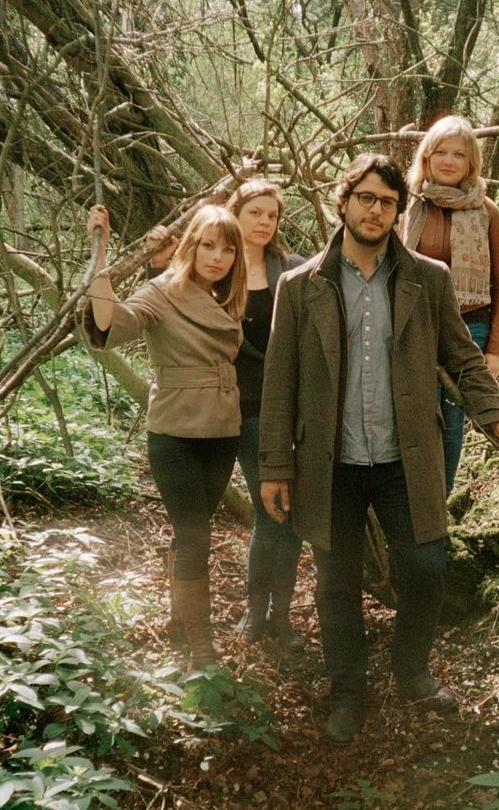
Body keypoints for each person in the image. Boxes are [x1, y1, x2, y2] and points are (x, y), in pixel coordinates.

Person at [258, 154, 499, 746]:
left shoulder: (426, 279)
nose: (375, 210)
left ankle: (411, 672)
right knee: (335, 583)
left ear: (397, 210)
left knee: (427, 570)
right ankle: (348, 694)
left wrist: (498, 417)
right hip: (330, 462)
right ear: (344, 201)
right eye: (365, 198)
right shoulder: (300, 286)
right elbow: (278, 384)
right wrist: (276, 466)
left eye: (386, 201)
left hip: (405, 459)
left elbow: (462, 357)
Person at [85, 203, 247, 667]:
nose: (217, 257)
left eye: (228, 249)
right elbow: (109, 326)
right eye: (208, 245)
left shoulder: (226, 297)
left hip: (221, 430)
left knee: (192, 530)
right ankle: (200, 645)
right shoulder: (161, 291)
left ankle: (180, 619)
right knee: (196, 534)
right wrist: (100, 259)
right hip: (175, 431)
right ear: (191, 245)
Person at [400, 116, 499, 494]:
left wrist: (494, 350)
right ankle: (410, 501)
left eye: (458, 155)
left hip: (469, 329)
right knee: (416, 418)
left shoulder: (487, 211)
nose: (448, 161)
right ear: (426, 158)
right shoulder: (408, 207)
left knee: (451, 422)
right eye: (440, 152)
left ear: (470, 163)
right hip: (414, 327)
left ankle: (439, 506)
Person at [225, 181, 306, 651]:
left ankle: (282, 616)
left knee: (290, 515)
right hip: (242, 409)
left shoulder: (291, 269)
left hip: (291, 408)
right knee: (268, 510)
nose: (263, 222)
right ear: (235, 214)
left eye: (271, 216)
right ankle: (256, 613)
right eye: (254, 212)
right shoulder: (218, 267)